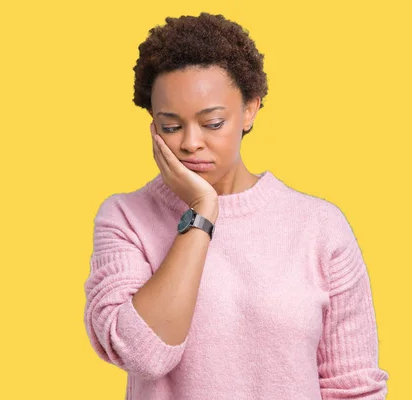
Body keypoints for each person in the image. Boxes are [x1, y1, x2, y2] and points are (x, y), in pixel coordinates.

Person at [83, 12, 389, 399]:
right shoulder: (125, 218)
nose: (191, 143)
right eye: (172, 126)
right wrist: (201, 211)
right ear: (153, 125)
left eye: (212, 123)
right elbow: (144, 356)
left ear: (250, 110)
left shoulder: (319, 226)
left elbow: (353, 387)